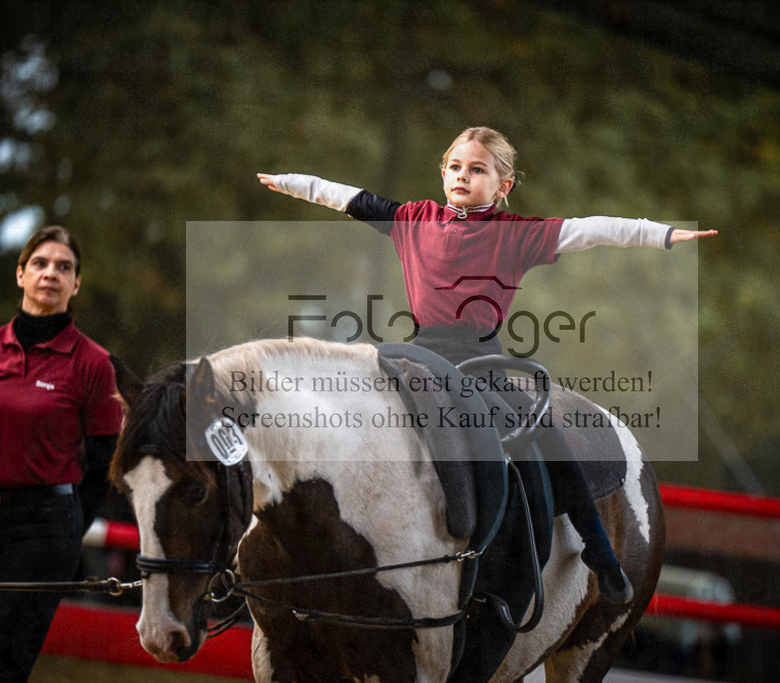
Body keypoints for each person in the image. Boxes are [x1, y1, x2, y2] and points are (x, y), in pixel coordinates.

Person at [257, 126, 717, 604]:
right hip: (418, 355)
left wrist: (662, 234)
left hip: (481, 362)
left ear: (503, 186)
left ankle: (600, 551)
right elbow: (344, 197)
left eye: (477, 169)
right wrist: (288, 181)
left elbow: (594, 229)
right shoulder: (413, 218)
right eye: (455, 167)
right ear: (442, 173)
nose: (463, 176)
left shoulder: (516, 234)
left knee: (545, 437)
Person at [0, 226, 123, 682]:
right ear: (20, 274)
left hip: (42, 529)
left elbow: (104, 460)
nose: (50, 273)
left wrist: (68, 528)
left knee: (3, 668)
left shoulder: (93, 363)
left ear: (76, 284)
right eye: (40, 263)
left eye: (64, 267)